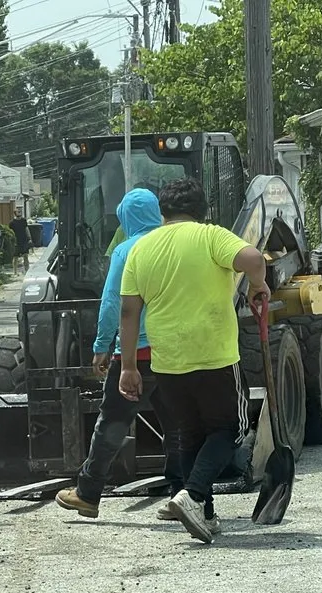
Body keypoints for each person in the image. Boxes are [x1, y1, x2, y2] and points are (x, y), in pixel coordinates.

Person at [119, 178, 270, 544]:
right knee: (230, 429)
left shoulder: (141, 249)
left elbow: (128, 311)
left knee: (189, 434)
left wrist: (128, 366)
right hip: (213, 354)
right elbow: (253, 258)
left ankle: (204, 513)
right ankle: (194, 494)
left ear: (163, 212)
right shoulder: (209, 236)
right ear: (202, 211)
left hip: (168, 360)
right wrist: (257, 284)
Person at [55, 187, 183, 518]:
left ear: (125, 218)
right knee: (177, 427)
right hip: (175, 353)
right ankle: (183, 497)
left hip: (135, 355)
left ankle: (88, 494)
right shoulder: (176, 244)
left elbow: (114, 302)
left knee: (112, 423)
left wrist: (101, 346)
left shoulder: (125, 250)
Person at [9, 207, 32, 274]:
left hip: (24, 241)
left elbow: (26, 229)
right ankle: (15, 272)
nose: (19, 213)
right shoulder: (12, 223)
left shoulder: (23, 221)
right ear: (15, 213)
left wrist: (29, 238)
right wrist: (12, 241)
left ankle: (27, 270)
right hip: (16, 242)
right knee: (15, 257)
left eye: (20, 212)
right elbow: (10, 232)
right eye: (18, 212)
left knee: (26, 256)